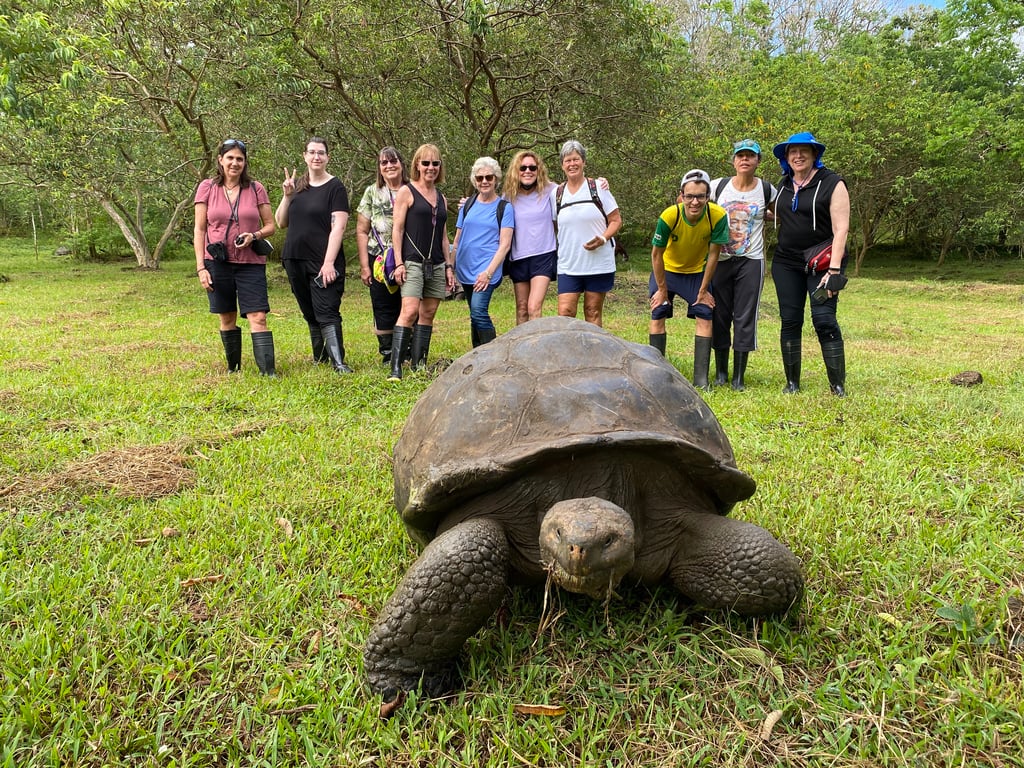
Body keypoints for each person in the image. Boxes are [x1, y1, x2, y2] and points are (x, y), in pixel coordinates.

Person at [770, 131, 851, 396]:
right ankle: (792, 383)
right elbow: (778, 214)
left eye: (804, 150)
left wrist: (835, 270)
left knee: (824, 318)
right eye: (792, 151)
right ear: (786, 157)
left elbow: (841, 229)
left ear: (815, 154)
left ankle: (837, 385)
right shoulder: (783, 184)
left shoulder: (832, 183)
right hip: (786, 262)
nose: (798, 155)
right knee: (790, 320)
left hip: (823, 262)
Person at [193, 138, 277, 375]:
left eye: (239, 158)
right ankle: (234, 368)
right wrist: (201, 268)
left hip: (250, 262)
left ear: (245, 162)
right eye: (230, 158)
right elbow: (199, 230)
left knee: (258, 315)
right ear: (220, 160)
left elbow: (270, 225)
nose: (234, 163)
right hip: (217, 263)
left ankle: (268, 372)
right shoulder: (207, 187)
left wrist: (255, 234)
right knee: (227, 316)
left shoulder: (256, 188)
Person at [275, 137, 353, 374]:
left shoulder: (335, 187)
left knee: (327, 309)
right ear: (305, 156)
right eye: (312, 152)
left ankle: (338, 363)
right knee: (309, 310)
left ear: (327, 157)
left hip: (322, 260)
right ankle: (320, 358)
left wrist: (329, 262)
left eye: (321, 153)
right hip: (294, 258)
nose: (316, 157)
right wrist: (287, 196)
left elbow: (338, 227)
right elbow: (280, 222)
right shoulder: (297, 186)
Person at [648, 169, 729, 390]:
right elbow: (656, 255)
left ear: (708, 196)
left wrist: (703, 290)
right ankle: (658, 374)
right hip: (667, 270)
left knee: (705, 313)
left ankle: (701, 379)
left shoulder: (718, 216)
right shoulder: (669, 216)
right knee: (658, 311)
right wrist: (662, 290)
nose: (695, 202)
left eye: (700, 196)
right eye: (689, 196)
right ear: (681, 196)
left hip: (696, 272)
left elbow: (714, 255)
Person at [709, 139, 778, 391]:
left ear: (758, 161)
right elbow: (690, 201)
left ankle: (739, 377)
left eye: (750, 156)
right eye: (740, 156)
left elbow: (782, 213)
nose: (745, 160)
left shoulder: (767, 190)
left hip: (751, 260)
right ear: (734, 160)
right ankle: (720, 373)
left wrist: (763, 216)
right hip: (721, 259)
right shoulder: (718, 186)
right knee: (719, 314)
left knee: (745, 316)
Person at [388, 143, 455, 380]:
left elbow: (444, 237)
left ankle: (419, 364)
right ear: (417, 164)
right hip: (412, 262)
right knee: (409, 311)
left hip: (436, 263)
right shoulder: (407, 192)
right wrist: (398, 263)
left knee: (428, 313)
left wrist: (448, 266)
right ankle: (396, 367)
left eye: (435, 163)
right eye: (425, 163)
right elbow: (397, 230)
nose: (430, 167)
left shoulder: (442, 198)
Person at [552, 140, 621, 327]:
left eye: (576, 159)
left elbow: (616, 220)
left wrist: (603, 238)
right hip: (568, 263)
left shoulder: (598, 188)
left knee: (593, 312)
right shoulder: (556, 194)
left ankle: (594, 354)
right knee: (565, 313)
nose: (572, 164)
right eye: (567, 160)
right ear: (562, 165)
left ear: (583, 162)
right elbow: (556, 224)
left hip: (598, 263)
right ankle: (568, 355)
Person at [452, 157, 514, 347]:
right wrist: (450, 267)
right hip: (465, 269)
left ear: (496, 179)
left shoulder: (505, 208)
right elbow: (457, 239)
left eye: (489, 177)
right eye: (480, 178)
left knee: (479, 311)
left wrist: (488, 273)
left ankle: (493, 356)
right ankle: (477, 356)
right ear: (475, 181)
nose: (484, 181)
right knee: (474, 315)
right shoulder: (468, 205)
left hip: (487, 270)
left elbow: (505, 244)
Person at [356, 146, 408, 365]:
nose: (389, 166)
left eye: (393, 161)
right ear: (379, 167)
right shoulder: (371, 192)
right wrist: (364, 266)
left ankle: (408, 351)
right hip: (378, 257)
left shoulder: (412, 189)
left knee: (408, 303)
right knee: (383, 303)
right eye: (384, 163)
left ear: (402, 164)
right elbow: (361, 229)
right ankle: (388, 354)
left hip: (408, 256)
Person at [502, 151, 557, 324]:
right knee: (522, 308)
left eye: (532, 167)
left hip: (544, 254)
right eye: (523, 167)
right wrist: (468, 204)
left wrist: (599, 183)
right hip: (518, 257)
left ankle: (536, 348)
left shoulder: (551, 190)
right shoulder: (508, 196)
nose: (528, 171)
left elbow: (575, 188)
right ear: (515, 171)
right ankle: (521, 350)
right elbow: (488, 208)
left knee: (534, 307)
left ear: (538, 170)